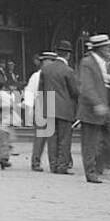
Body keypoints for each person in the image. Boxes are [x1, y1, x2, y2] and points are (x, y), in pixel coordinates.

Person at [77, 34, 110, 184]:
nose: (109, 50)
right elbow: (86, 87)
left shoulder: (103, 63)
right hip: (92, 108)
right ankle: (91, 172)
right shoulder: (87, 62)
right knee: (90, 143)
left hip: (104, 106)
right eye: (107, 47)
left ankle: (100, 166)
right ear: (99, 48)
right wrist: (97, 103)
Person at [39, 46, 79, 174]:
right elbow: (75, 91)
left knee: (52, 139)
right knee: (64, 139)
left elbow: (41, 90)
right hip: (64, 108)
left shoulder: (45, 70)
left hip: (49, 107)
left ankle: (53, 165)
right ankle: (62, 166)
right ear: (68, 55)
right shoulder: (68, 71)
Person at [23, 52, 60, 172]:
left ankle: (51, 163)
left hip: (51, 105)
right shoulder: (36, 76)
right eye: (49, 61)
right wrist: (29, 111)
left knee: (51, 137)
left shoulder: (49, 75)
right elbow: (29, 92)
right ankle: (37, 162)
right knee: (41, 137)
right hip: (41, 104)